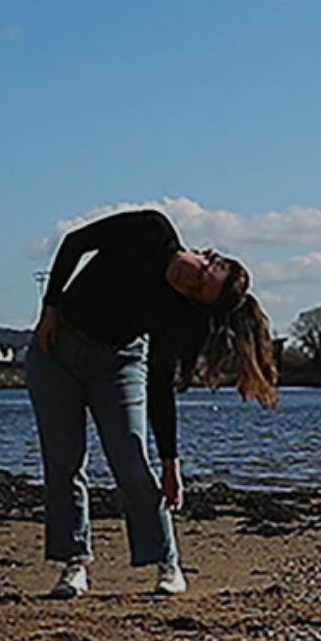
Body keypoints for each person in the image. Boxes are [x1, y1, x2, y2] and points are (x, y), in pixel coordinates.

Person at [25, 208, 277, 598]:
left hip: (119, 364)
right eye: (200, 275)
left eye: (196, 292)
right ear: (207, 255)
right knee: (63, 461)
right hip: (56, 347)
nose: (189, 283)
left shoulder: (174, 311)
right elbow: (75, 242)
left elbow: (160, 387)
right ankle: (74, 564)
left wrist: (171, 466)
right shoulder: (150, 230)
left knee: (131, 461)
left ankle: (167, 563)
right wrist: (50, 307)